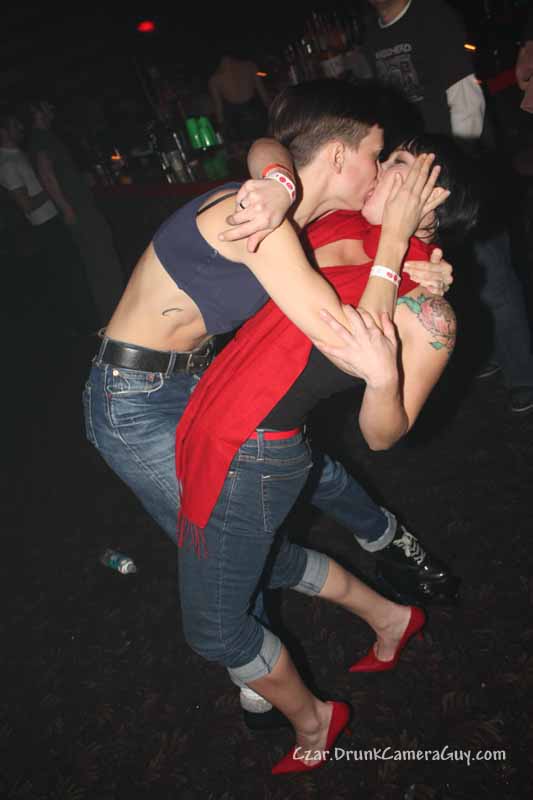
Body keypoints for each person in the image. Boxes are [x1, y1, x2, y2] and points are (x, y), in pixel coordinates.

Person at [82, 79, 454, 728]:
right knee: (226, 545)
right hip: (134, 402)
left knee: (264, 515)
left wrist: (423, 262)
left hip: (187, 382)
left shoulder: (291, 213)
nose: (380, 166)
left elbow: (266, 146)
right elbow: (346, 339)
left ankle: (373, 592)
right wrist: (394, 242)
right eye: (376, 153)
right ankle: (255, 654)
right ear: (338, 156)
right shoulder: (261, 219)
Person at [173, 124, 479, 773]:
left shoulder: (426, 307)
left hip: (257, 452)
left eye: (399, 163)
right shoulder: (344, 225)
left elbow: (381, 435)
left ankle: (315, 719)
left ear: (434, 196)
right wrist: (275, 186)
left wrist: (385, 378)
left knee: (214, 627)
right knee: (257, 567)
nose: (380, 168)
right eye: (383, 155)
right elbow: (271, 143)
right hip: (215, 420)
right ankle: (392, 619)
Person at [363, 0, 533, 415]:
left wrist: (456, 176)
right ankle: (489, 352)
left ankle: (523, 375)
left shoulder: (431, 16)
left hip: (454, 175)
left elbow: (466, 98)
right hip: (413, 179)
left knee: (495, 279)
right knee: (453, 274)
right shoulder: (372, 31)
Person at [21, 98, 125, 328]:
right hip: (78, 210)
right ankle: (116, 316)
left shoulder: (46, 137)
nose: (51, 108)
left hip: (80, 206)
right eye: (46, 105)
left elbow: (56, 174)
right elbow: (46, 175)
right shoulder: (40, 139)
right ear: (36, 111)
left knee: (101, 260)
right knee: (101, 261)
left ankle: (115, 315)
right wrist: (66, 208)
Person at [0, 106, 96, 334]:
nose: (20, 128)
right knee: (71, 277)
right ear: (2, 132)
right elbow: (26, 205)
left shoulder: (18, 154)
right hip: (45, 225)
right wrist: (50, 188)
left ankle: (89, 324)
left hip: (53, 218)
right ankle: (87, 328)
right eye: (14, 125)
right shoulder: (7, 164)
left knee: (77, 273)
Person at [208, 46, 269, 154]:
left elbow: (219, 109)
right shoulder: (250, 66)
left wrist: (222, 130)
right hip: (254, 115)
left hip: (236, 122)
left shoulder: (215, 79)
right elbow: (264, 95)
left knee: (242, 153)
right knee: (264, 150)